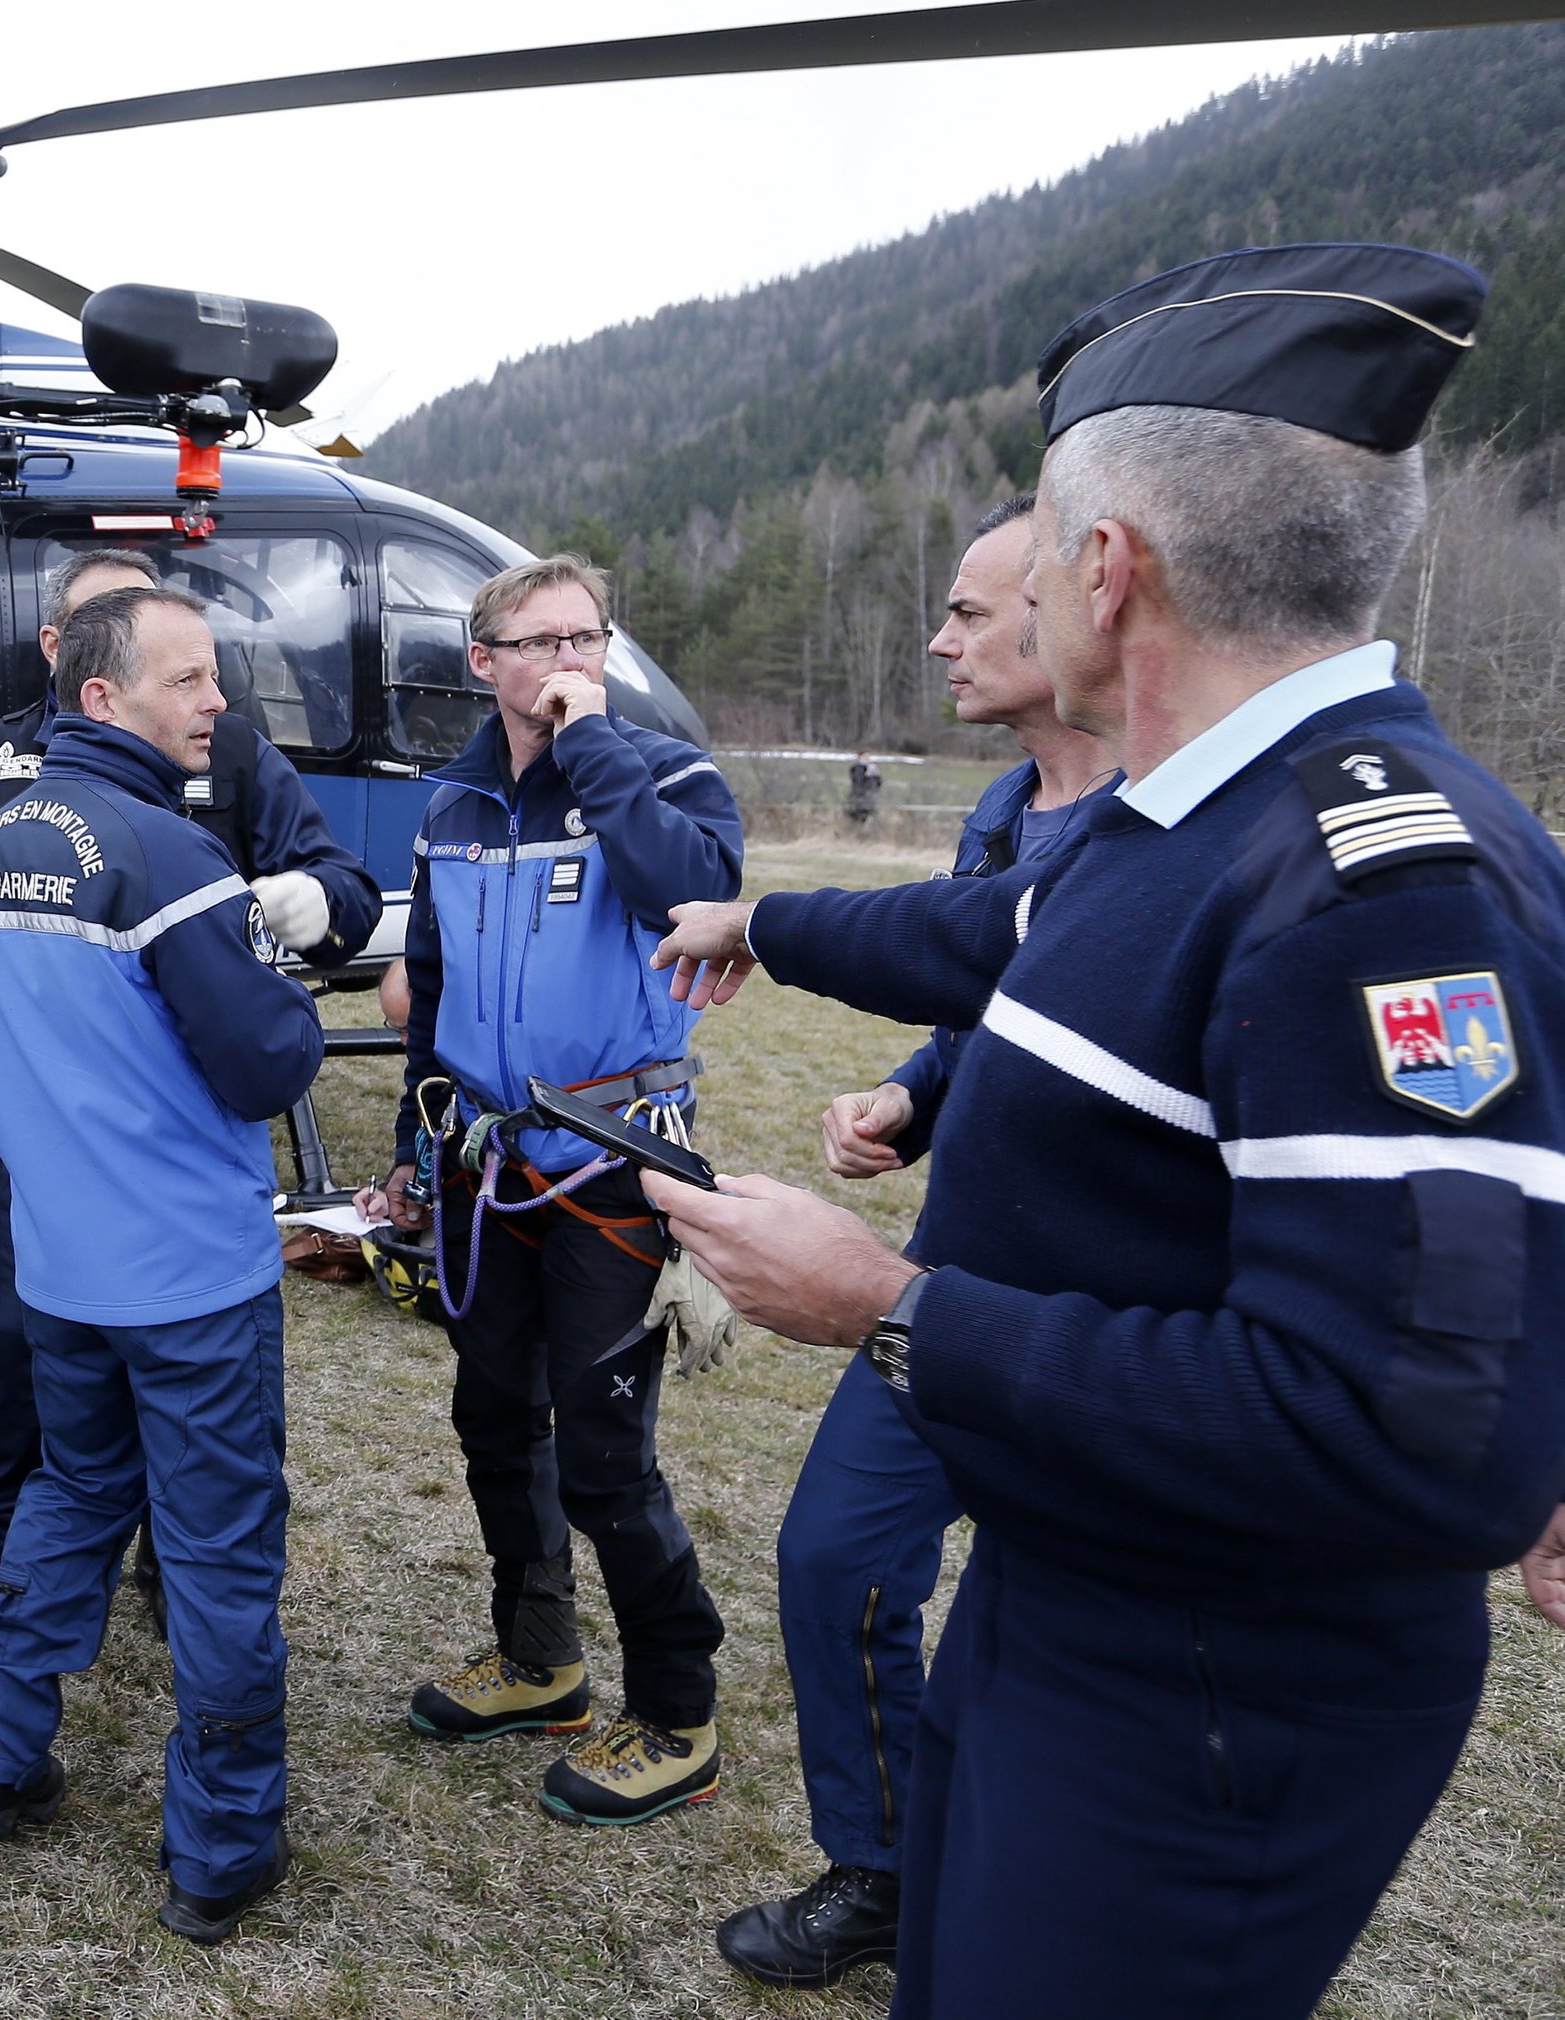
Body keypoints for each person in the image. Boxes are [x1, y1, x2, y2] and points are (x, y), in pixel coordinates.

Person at [647, 244, 1565, 2020]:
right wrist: (758, 924)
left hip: (1217, 1688)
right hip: (1075, 1595)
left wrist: (887, 1307)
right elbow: (966, 933)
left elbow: (1421, 1432)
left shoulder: (1383, 883)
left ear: (1108, 568)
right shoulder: (1180, 825)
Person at [716, 494, 1119, 1989]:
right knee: (835, 1559)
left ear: (1082, 598)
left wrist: (762, 924)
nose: (940, 636)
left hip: (1099, 1329)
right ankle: (878, 1870)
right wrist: (909, 1093)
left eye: (967, 608)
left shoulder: (1174, 824)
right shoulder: (1006, 807)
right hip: (939, 1291)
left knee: (1043, 1653)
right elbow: (980, 1003)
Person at [0, 548, 377, 1661]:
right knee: (15, 1353)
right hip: (41, 1139)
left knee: (170, 1393)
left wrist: (313, 903)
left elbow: (341, 886)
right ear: (68, 653)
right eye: (84, 623)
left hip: (171, 1142)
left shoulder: (231, 751)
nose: (206, 693)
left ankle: (171, 1569)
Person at [0, 583, 325, 1945]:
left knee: (70, 1495)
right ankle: (221, 1845)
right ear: (103, 699)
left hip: (62, 1268)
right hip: (190, 1277)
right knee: (219, 1553)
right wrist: (279, 954)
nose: (216, 701)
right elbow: (271, 1061)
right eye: (189, 681)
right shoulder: (165, 855)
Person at [350, 552, 744, 1826]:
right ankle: (540, 1660)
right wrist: (417, 1160)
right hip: (484, 1157)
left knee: (605, 1456)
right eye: (541, 642)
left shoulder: (662, 777)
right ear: (485, 663)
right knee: (491, 1414)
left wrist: (595, 751)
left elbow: (687, 892)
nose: (571, 663)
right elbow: (431, 991)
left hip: (613, 1159)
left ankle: (677, 1711)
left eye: (589, 640)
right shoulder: (452, 802)